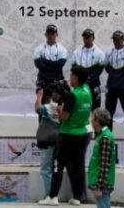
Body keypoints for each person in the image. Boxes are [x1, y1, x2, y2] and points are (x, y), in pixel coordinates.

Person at [40, 66, 93, 206]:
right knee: (75, 166)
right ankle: (77, 197)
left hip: (67, 135)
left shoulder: (72, 95)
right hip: (83, 133)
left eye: (71, 76)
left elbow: (64, 116)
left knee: (58, 165)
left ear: (76, 77)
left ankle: (52, 197)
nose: (70, 78)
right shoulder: (88, 90)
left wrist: (58, 108)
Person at [35, 84, 63, 199]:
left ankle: (49, 195)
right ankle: (52, 195)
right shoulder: (63, 107)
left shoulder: (51, 107)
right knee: (52, 169)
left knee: (46, 170)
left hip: (47, 142)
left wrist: (39, 96)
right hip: (57, 141)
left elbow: (38, 109)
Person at [70, 28, 105, 109]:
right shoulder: (77, 52)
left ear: (93, 38)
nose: (86, 39)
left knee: (95, 107)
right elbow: (73, 68)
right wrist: (81, 79)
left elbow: (99, 70)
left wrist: (88, 78)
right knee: (79, 105)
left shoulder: (99, 53)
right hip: (80, 84)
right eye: (85, 37)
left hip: (94, 84)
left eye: (88, 37)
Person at [88, 108, 117, 208]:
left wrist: (99, 187)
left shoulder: (105, 138)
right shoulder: (102, 135)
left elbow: (105, 164)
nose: (91, 121)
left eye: (92, 118)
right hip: (100, 182)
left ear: (97, 120)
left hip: (101, 184)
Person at [34, 24, 68, 91]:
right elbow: (38, 65)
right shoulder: (38, 48)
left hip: (57, 78)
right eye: (48, 33)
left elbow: (60, 64)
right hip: (42, 79)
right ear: (45, 34)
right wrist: (54, 64)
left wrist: (44, 60)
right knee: (40, 99)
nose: (50, 35)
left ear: (56, 34)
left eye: (52, 33)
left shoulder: (63, 49)